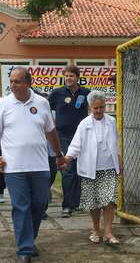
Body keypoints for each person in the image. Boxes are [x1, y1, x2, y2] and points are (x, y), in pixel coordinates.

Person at [0, 67, 66, 263]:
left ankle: (29, 240)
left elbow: (50, 131)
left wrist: (58, 155)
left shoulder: (42, 103)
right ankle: (24, 249)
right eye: (11, 81)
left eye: (17, 81)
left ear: (28, 83)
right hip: (14, 168)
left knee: (40, 204)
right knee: (21, 206)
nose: (12, 85)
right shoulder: (4, 104)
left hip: (40, 165)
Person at [65, 90, 123, 244]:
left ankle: (109, 232)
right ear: (90, 108)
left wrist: (119, 159)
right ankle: (96, 229)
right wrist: (67, 158)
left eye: (101, 107)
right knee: (94, 202)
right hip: (90, 169)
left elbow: (115, 143)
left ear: (105, 106)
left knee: (109, 200)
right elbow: (76, 145)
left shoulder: (111, 121)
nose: (99, 111)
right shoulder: (84, 124)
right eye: (95, 108)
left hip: (109, 167)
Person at [48, 65, 90, 218]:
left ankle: (76, 203)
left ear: (77, 77)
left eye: (71, 76)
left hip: (82, 136)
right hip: (63, 136)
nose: (68, 78)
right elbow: (46, 108)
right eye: (66, 76)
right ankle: (66, 206)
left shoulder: (86, 93)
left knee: (79, 170)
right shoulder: (57, 93)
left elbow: (94, 108)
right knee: (67, 169)